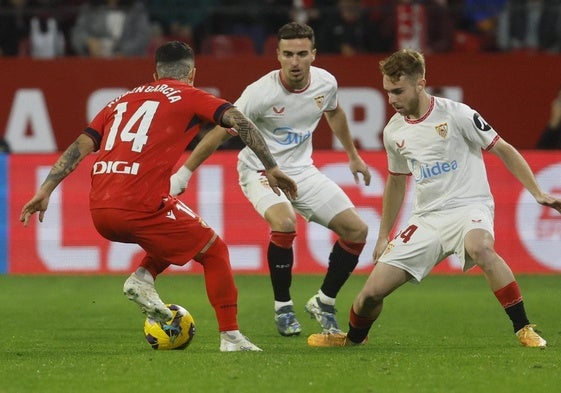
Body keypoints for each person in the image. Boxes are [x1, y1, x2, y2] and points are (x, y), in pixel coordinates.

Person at [20, 41, 298, 352]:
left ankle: (143, 275)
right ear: (192, 73)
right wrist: (271, 167)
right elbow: (241, 122)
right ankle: (231, 337)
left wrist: (46, 190)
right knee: (214, 250)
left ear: (154, 74)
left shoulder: (118, 101)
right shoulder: (190, 95)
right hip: (139, 204)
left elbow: (79, 147)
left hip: (100, 209)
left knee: (177, 235)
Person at [308, 48, 561, 348]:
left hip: (469, 206)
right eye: (388, 91)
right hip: (426, 219)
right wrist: (383, 235)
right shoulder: (394, 131)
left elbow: (503, 148)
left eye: (398, 91)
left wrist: (536, 191)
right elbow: (396, 181)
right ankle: (353, 340)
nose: (392, 99)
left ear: (420, 83)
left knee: (480, 247)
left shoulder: (458, 114)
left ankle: (524, 329)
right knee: (370, 295)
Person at [169, 22, 371, 337]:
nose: (295, 61)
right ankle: (283, 307)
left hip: (302, 170)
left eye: (302, 54)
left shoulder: (326, 83)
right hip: (259, 170)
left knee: (357, 231)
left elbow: (335, 112)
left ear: (313, 55)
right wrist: (185, 171)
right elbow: (221, 131)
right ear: (277, 55)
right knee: (285, 222)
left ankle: (324, 300)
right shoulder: (259, 93)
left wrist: (352, 155)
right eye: (288, 54)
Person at [70, 0, 151, 57]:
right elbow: (78, 33)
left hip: (129, 63)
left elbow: (142, 36)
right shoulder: (90, 8)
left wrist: (123, 53)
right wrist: (88, 41)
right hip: (95, 63)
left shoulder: (137, 8)